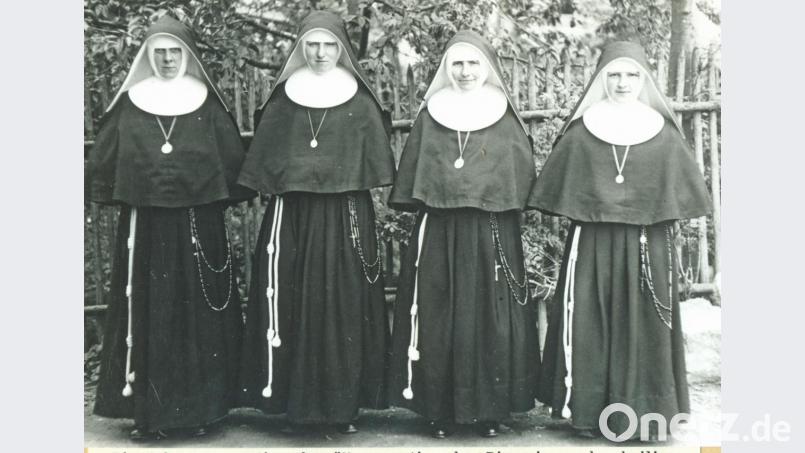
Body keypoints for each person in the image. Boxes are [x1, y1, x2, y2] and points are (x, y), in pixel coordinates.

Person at [530, 41, 712, 439]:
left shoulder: (662, 133)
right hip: (593, 242)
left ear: (644, 80)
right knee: (589, 322)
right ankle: (588, 415)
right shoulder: (582, 131)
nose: (623, 82)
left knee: (643, 323)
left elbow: (679, 192)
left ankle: (645, 415)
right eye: (614, 74)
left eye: (632, 75)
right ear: (600, 79)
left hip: (648, 243)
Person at [87, 15, 250, 440]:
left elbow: (230, 164)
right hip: (148, 228)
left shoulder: (207, 104)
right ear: (147, 55)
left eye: (174, 52)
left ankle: (203, 411)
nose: (166, 59)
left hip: (199, 223)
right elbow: (107, 162)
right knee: (151, 310)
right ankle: (152, 415)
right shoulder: (130, 102)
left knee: (199, 314)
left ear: (188, 55)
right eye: (158, 52)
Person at [236, 11, 395, 434]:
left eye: (329, 44)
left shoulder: (360, 101)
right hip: (293, 216)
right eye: (312, 44)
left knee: (343, 303)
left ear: (342, 49)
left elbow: (373, 162)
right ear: (300, 48)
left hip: (345, 216)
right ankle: (293, 405)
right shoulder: (284, 98)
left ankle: (343, 407)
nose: (321, 53)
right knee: (290, 299)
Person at [387, 30, 540, 439]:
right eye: (457, 63)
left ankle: (489, 409)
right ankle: (437, 409)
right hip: (439, 230)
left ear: (487, 68)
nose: (466, 71)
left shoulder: (503, 117)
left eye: (474, 63)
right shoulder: (431, 115)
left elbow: (516, 178)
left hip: (491, 231)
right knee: (438, 314)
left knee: (491, 316)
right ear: (446, 68)